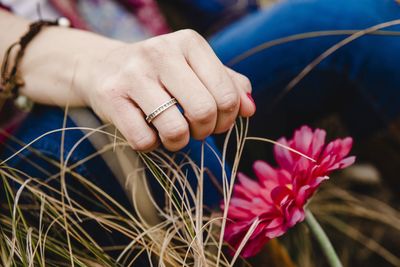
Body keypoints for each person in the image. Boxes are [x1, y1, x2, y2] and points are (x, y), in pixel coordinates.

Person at [2, 0, 400, 232]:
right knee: (153, 125)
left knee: (349, 21)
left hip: (191, 87)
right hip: (33, 152)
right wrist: (99, 66)